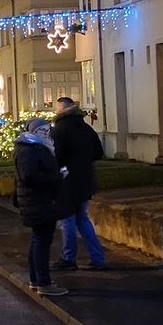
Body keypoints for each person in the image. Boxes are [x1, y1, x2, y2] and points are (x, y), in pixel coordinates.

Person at [13, 116, 71, 296]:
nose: (46, 133)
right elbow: (29, 176)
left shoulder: (37, 146)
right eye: (42, 130)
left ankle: (36, 279)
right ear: (33, 131)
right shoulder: (30, 149)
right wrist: (58, 177)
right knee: (41, 242)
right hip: (38, 202)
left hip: (39, 201)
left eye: (47, 130)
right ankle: (43, 283)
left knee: (38, 241)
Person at [51, 95, 108, 270]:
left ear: (61, 110)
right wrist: (82, 161)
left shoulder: (59, 130)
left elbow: (55, 157)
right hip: (85, 179)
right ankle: (98, 258)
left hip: (68, 181)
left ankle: (69, 258)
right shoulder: (86, 128)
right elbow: (98, 152)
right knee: (82, 219)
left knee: (68, 220)